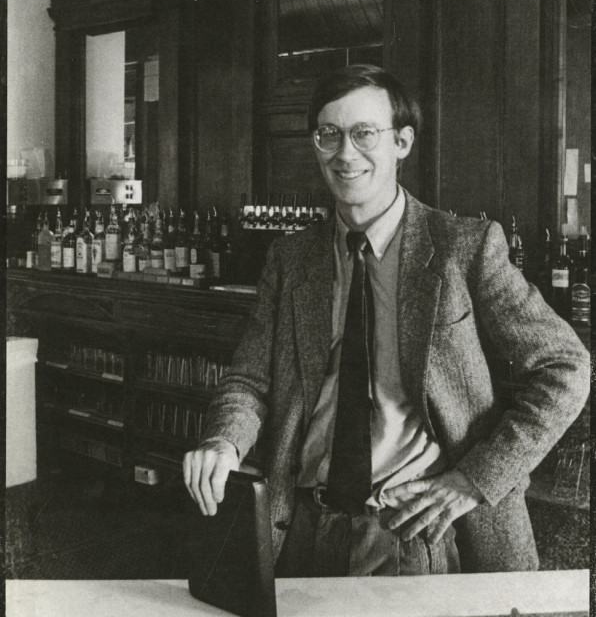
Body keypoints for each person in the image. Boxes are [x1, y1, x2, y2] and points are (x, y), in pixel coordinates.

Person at [184, 64, 589, 576]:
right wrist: (224, 440)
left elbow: (566, 366)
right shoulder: (291, 258)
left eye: (364, 134)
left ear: (402, 142)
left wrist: (476, 479)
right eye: (329, 134)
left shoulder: (463, 249)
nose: (345, 153)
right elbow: (248, 379)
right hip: (300, 529)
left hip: (415, 532)